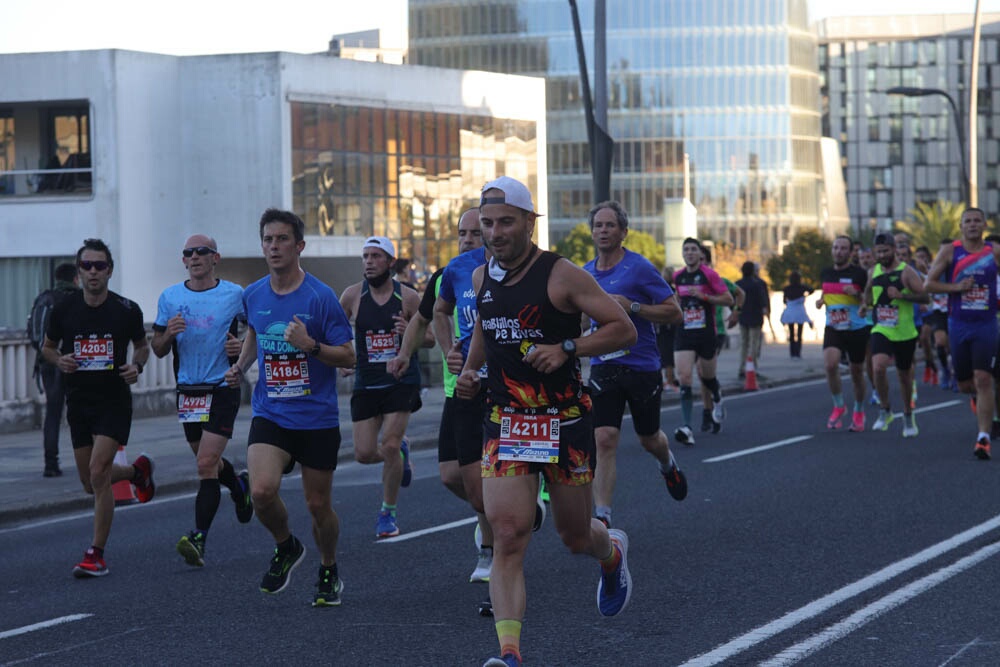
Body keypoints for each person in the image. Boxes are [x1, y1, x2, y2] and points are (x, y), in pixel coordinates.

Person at [455, 176, 637, 667]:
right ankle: (509, 654)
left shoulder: (563, 275)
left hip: (566, 420)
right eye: (487, 223)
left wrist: (568, 348)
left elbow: (625, 328)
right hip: (507, 420)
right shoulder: (481, 278)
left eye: (506, 222)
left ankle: (611, 554)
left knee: (575, 537)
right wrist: (471, 372)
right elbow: (484, 334)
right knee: (508, 534)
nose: (495, 232)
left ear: (529, 223)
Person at [224, 208, 355, 606]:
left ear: (299, 246)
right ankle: (286, 545)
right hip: (272, 412)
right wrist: (242, 366)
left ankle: (329, 567)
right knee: (262, 491)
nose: (274, 247)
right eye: (268, 240)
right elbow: (255, 333)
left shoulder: (320, 297)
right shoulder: (254, 294)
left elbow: (349, 356)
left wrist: (310, 346)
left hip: (316, 418)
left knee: (318, 505)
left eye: (282, 239)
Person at [388, 208, 505, 587]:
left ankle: (492, 546)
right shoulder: (450, 273)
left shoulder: (510, 268)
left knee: (480, 477)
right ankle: (492, 514)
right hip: (462, 387)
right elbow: (431, 316)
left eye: (476, 231)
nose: (469, 238)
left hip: (503, 386)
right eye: (463, 232)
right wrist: (422, 353)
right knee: (451, 476)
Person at [41, 238, 155, 577]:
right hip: (79, 401)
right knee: (90, 482)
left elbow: (142, 346)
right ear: (78, 272)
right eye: (87, 266)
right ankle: (137, 472)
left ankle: (96, 554)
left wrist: (137, 366)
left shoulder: (126, 309)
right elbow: (47, 348)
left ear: (110, 271)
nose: (93, 272)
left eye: (99, 266)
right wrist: (59, 360)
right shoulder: (63, 310)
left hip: (113, 401)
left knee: (98, 471)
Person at [582, 200, 687, 531]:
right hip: (603, 365)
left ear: (623, 232)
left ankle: (667, 463)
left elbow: (674, 312)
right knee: (604, 438)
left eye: (610, 225)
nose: (603, 231)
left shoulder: (639, 268)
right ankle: (603, 516)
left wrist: (634, 306)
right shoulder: (584, 274)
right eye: (598, 225)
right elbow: (581, 320)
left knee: (648, 438)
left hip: (641, 365)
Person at [151, 235, 254, 568]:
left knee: (205, 465)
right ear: (184, 261)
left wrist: (240, 348)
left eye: (201, 252)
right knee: (207, 462)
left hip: (222, 386)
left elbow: (256, 331)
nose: (194, 257)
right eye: (188, 253)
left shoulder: (235, 294)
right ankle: (239, 486)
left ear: (215, 258)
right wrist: (168, 334)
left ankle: (198, 537)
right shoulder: (170, 297)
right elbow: (157, 348)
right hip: (189, 390)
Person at [340, 236, 426, 538]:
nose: (369, 262)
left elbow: (429, 339)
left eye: (376, 256)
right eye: (365, 256)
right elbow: (336, 332)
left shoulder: (409, 297)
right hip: (366, 381)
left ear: (390, 262)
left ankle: (387, 514)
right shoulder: (352, 297)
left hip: (400, 380)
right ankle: (400, 455)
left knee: (388, 444)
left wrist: (410, 334)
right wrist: (343, 358)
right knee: (364, 453)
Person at [924, 208, 1000, 459]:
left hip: (986, 324)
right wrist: (956, 287)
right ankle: (977, 401)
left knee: (984, 378)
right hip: (958, 324)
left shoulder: (993, 252)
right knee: (967, 383)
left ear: (984, 225)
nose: (973, 225)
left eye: (977, 220)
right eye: (968, 221)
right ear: (961, 226)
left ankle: (983, 438)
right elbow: (929, 284)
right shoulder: (950, 251)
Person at [862, 233, 928, 437]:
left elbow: (925, 296)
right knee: (879, 366)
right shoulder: (874, 271)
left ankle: (908, 414)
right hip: (882, 327)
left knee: (904, 376)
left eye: (885, 251)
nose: (882, 255)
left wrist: (902, 296)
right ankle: (885, 410)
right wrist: (865, 305)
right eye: (878, 252)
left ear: (893, 249)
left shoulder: (906, 272)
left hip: (905, 331)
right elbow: (868, 291)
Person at [673, 239, 734, 444]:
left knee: (707, 378)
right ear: (683, 254)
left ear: (700, 254)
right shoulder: (678, 276)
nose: (689, 253)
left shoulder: (710, 275)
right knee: (684, 377)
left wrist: (704, 297)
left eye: (693, 249)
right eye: (686, 250)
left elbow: (728, 299)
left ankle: (717, 398)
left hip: (706, 333)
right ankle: (687, 427)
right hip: (684, 333)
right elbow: (676, 299)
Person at [815, 235, 871, 431]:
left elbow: (869, 300)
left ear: (850, 252)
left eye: (843, 248)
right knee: (830, 365)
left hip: (856, 327)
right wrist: (821, 301)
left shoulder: (859, 274)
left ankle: (858, 410)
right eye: (836, 247)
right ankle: (839, 405)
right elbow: (827, 292)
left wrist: (857, 295)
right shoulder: (825, 272)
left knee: (856, 372)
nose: (838, 251)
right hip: (833, 326)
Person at [29, 262, 80, 477]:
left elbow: (31, 333)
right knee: (80, 411)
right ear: (75, 278)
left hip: (47, 363)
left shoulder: (44, 298)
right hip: (72, 363)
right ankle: (89, 460)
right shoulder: (76, 299)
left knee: (52, 413)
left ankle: (51, 463)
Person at [733, 261, 769, 372]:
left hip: (742, 316)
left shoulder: (737, 284)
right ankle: (751, 366)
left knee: (744, 343)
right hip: (756, 316)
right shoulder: (758, 284)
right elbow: (763, 301)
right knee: (754, 343)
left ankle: (742, 366)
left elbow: (733, 300)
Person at [780, 271, 813, 359]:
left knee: (791, 332)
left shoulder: (786, 288)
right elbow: (811, 290)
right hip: (800, 311)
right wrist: (805, 295)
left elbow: (784, 301)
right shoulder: (802, 287)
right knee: (799, 333)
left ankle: (792, 352)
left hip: (790, 311)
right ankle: (798, 352)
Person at [657, 266, 679, 390]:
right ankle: (670, 379)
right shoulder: (673, 291)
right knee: (669, 356)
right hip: (671, 327)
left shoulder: (660, 291)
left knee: (664, 356)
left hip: (662, 327)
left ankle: (668, 381)